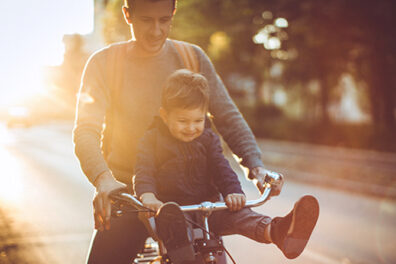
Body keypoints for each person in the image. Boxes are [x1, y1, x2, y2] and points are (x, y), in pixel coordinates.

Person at [73, 0, 284, 263]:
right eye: (146, 20)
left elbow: (228, 116)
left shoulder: (191, 57)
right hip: (130, 194)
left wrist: (256, 167)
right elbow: (85, 130)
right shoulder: (104, 63)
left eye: (164, 20)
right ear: (128, 15)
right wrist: (102, 179)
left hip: (194, 195)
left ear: (173, 13)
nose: (156, 31)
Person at [134, 69, 320, 262]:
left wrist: (233, 191)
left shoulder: (208, 139)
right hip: (174, 212)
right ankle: (183, 254)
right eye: (183, 121)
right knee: (175, 225)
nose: (191, 128)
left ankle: (277, 231)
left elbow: (222, 168)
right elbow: (144, 171)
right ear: (165, 116)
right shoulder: (151, 140)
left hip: (208, 209)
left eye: (198, 120)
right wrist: (147, 195)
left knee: (239, 215)